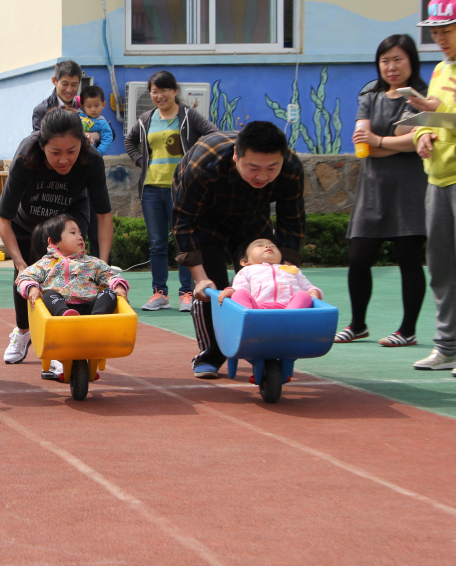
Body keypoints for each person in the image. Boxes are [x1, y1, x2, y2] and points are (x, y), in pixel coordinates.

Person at [172, 121, 305, 379]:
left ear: (283, 159)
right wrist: (200, 279)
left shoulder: (291, 168)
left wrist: (287, 273)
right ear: (236, 155)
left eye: (272, 168)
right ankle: (211, 355)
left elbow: (292, 223)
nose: (262, 176)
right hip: (205, 218)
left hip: (253, 216)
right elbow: (183, 222)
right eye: (253, 167)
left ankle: (268, 349)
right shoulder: (205, 163)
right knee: (213, 290)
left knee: (266, 281)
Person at [0, 109, 113, 364]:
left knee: (71, 268)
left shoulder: (91, 159)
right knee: (27, 276)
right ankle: (24, 331)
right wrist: (20, 264)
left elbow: (104, 215)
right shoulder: (26, 156)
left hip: (70, 217)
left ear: (82, 143)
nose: (64, 160)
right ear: (42, 146)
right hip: (28, 222)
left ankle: (70, 335)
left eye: (71, 151)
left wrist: (103, 264)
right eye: (55, 152)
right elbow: (3, 219)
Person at [335, 35, 427, 347]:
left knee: (409, 259)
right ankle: (358, 325)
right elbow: (363, 144)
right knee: (359, 258)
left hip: (411, 189)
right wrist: (394, 144)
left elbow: (417, 139)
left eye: (398, 59)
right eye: (385, 60)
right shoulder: (370, 97)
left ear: (411, 61)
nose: (391, 66)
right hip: (373, 190)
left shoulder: (421, 98)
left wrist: (379, 141)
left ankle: (407, 330)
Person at [125, 70, 218, 313]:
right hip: (151, 190)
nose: (159, 95)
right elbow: (129, 141)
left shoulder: (188, 115)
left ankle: (186, 293)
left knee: (183, 242)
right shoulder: (146, 119)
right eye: (154, 91)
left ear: (175, 91)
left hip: (182, 191)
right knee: (157, 244)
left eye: (164, 90)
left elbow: (213, 134)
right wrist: (141, 161)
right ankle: (160, 293)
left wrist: (195, 161)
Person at [409, 0, 456, 373]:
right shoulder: (441, 69)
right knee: (440, 267)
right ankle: (448, 346)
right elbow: (435, 117)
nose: (439, 38)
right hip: (437, 178)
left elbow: (447, 115)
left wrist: (436, 115)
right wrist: (423, 133)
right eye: (435, 31)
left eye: (447, 29)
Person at [16, 213, 129, 379]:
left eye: (80, 233)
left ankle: (99, 319)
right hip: (58, 314)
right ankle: (66, 316)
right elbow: (25, 277)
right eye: (73, 233)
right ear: (54, 241)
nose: (80, 237)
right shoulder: (46, 264)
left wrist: (118, 285)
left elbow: (109, 275)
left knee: (108, 293)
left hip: (89, 311)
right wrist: (32, 288)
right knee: (49, 294)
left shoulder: (92, 263)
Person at [217, 239, 321, 309]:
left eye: (273, 245)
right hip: (258, 309)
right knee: (239, 294)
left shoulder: (292, 269)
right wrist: (231, 290)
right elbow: (240, 287)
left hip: (289, 307)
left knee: (304, 295)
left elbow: (307, 286)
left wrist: (314, 291)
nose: (268, 246)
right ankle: (249, 318)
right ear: (245, 262)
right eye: (259, 245)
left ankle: (289, 319)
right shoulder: (247, 271)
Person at [32, 59, 81, 132]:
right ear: (54, 81)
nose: (69, 90)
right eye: (65, 84)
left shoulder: (84, 106)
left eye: (74, 85)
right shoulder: (42, 111)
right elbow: (38, 137)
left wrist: (96, 134)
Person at [78, 85, 115, 155]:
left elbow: (107, 140)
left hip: (88, 155)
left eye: (97, 105)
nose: (93, 109)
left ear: (103, 105)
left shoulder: (103, 123)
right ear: (82, 106)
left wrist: (97, 153)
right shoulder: (77, 115)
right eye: (89, 106)